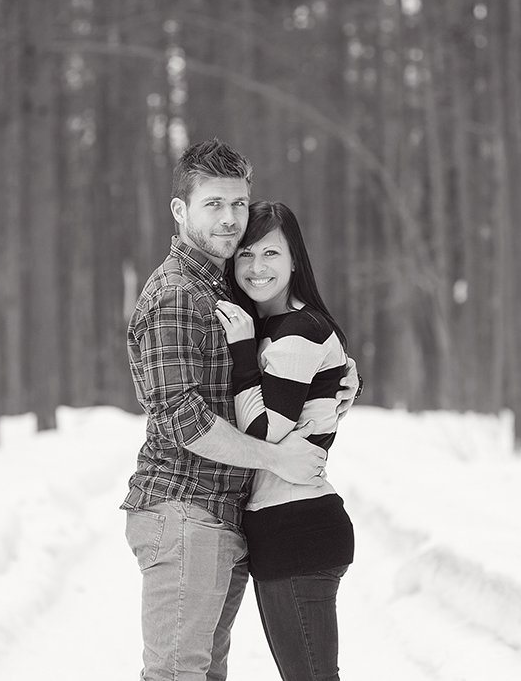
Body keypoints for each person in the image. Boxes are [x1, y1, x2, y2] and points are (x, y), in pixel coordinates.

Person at [122, 138, 358, 681]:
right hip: (186, 508)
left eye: (237, 205)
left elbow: (289, 360)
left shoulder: (223, 289)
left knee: (203, 673)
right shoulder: (178, 294)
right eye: (213, 205)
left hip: (223, 513)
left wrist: (340, 379)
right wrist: (276, 459)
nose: (230, 220)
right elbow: (181, 416)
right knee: (179, 673)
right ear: (180, 211)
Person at [213, 201, 354, 681]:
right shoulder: (280, 327)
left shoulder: (297, 329)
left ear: (296, 260)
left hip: (300, 529)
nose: (257, 268)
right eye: (246, 254)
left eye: (271, 253)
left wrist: (242, 351)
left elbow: (263, 431)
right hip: (282, 531)